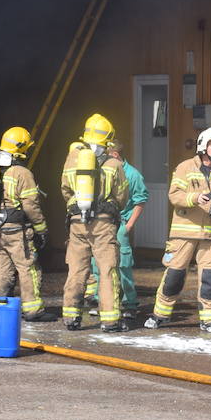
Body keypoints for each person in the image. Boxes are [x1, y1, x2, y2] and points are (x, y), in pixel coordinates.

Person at [144, 126, 211, 334]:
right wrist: (194, 199)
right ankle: (160, 315)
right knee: (174, 276)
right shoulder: (185, 168)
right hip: (184, 233)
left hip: (210, 235)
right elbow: (174, 195)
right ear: (203, 145)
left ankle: (210, 320)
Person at [60, 114, 130, 331]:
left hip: (77, 223)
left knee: (77, 270)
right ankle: (110, 320)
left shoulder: (72, 159)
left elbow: (64, 189)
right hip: (103, 223)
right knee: (107, 270)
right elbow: (122, 196)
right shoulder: (113, 164)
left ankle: (71, 317)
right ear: (108, 139)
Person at [0, 127, 50, 320]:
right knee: (29, 268)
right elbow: (31, 206)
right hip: (17, 231)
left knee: (2, 270)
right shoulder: (21, 173)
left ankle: (1, 307)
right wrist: (41, 229)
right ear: (21, 148)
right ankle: (33, 310)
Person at [84, 143, 149, 320]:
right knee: (99, 264)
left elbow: (140, 201)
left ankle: (129, 303)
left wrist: (128, 226)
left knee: (123, 266)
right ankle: (103, 302)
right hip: (102, 223)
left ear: (114, 154)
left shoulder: (133, 175)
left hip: (119, 224)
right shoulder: (102, 169)